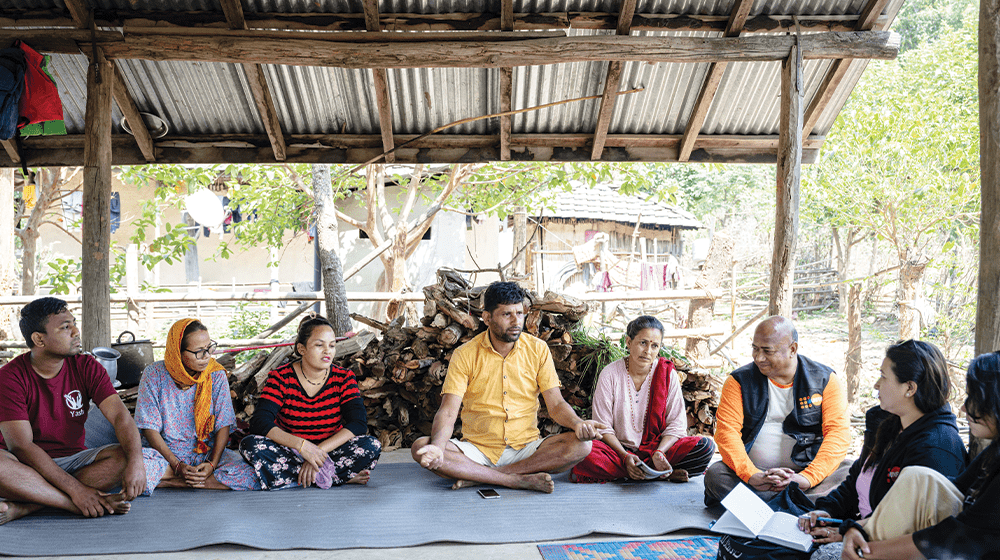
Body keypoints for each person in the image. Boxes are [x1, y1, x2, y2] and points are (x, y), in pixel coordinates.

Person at [411, 281, 606, 493]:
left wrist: (578, 424)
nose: (516, 321)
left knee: (582, 445)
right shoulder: (465, 354)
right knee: (421, 447)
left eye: (519, 313)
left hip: (526, 449)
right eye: (506, 315)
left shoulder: (538, 350)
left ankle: (482, 477)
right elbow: (448, 411)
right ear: (487, 318)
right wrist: (438, 448)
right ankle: (514, 480)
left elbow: (557, 404)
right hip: (477, 450)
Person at [794, 340, 967, 560]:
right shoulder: (892, 423)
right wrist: (828, 512)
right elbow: (857, 478)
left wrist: (847, 531)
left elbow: (912, 529)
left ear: (909, 388)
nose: (876, 385)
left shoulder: (937, 448)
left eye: (884, 377)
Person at [839, 351, 1000, 560]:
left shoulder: (937, 446)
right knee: (918, 477)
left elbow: (961, 536)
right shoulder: (994, 451)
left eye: (974, 398)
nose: (963, 407)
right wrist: (859, 528)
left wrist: (868, 553)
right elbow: (951, 489)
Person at [0, 297, 146, 525]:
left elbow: (120, 416)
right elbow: (22, 446)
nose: (76, 331)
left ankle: (28, 506)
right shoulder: (10, 377)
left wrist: (137, 461)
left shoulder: (87, 367)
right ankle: (70, 503)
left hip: (72, 459)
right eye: (65, 327)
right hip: (24, 464)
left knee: (126, 455)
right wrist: (77, 491)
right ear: (39, 339)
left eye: (73, 323)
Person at [704, 315, 851, 506]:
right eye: (755, 349)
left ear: (792, 349)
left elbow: (837, 434)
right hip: (756, 479)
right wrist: (752, 475)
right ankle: (798, 508)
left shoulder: (825, 380)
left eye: (767, 351)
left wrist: (807, 478)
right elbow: (727, 434)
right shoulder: (738, 382)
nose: (759, 357)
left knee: (849, 470)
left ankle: (758, 510)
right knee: (717, 475)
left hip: (805, 479)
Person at [239, 316, 380, 490]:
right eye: (319, 345)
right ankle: (333, 477)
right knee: (250, 445)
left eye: (332, 345)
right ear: (301, 348)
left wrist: (317, 453)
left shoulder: (344, 378)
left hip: (329, 451)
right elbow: (260, 423)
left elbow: (358, 423)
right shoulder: (281, 378)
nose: (327, 351)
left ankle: (292, 477)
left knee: (371, 446)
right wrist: (302, 446)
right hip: (290, 451)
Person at [571, 315, 716, 483]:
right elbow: (603, 428)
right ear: (628, 342)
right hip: (618, 451)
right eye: (643, 343)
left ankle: (650, 469)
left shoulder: (667, 374)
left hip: (657, 449)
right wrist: (625, 456)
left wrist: (660, 452)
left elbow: (677, 426)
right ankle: (658, 473)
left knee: (705, 447)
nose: (648, 351)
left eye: (654, 346)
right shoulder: (610, 374)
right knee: (586, 451)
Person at [134, 318, 259, 493]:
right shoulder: (154, 375)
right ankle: (194, 481)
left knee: (253, 474)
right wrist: (177, 465)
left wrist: (212, 465)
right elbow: (149, 428)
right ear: (178, 352)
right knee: (134, 466)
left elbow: (223, 423)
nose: (207, 356)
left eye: (209, 348)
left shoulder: (215, 374)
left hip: (205, 454)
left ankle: (170, 481)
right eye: (199, 352)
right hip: (164, 456)